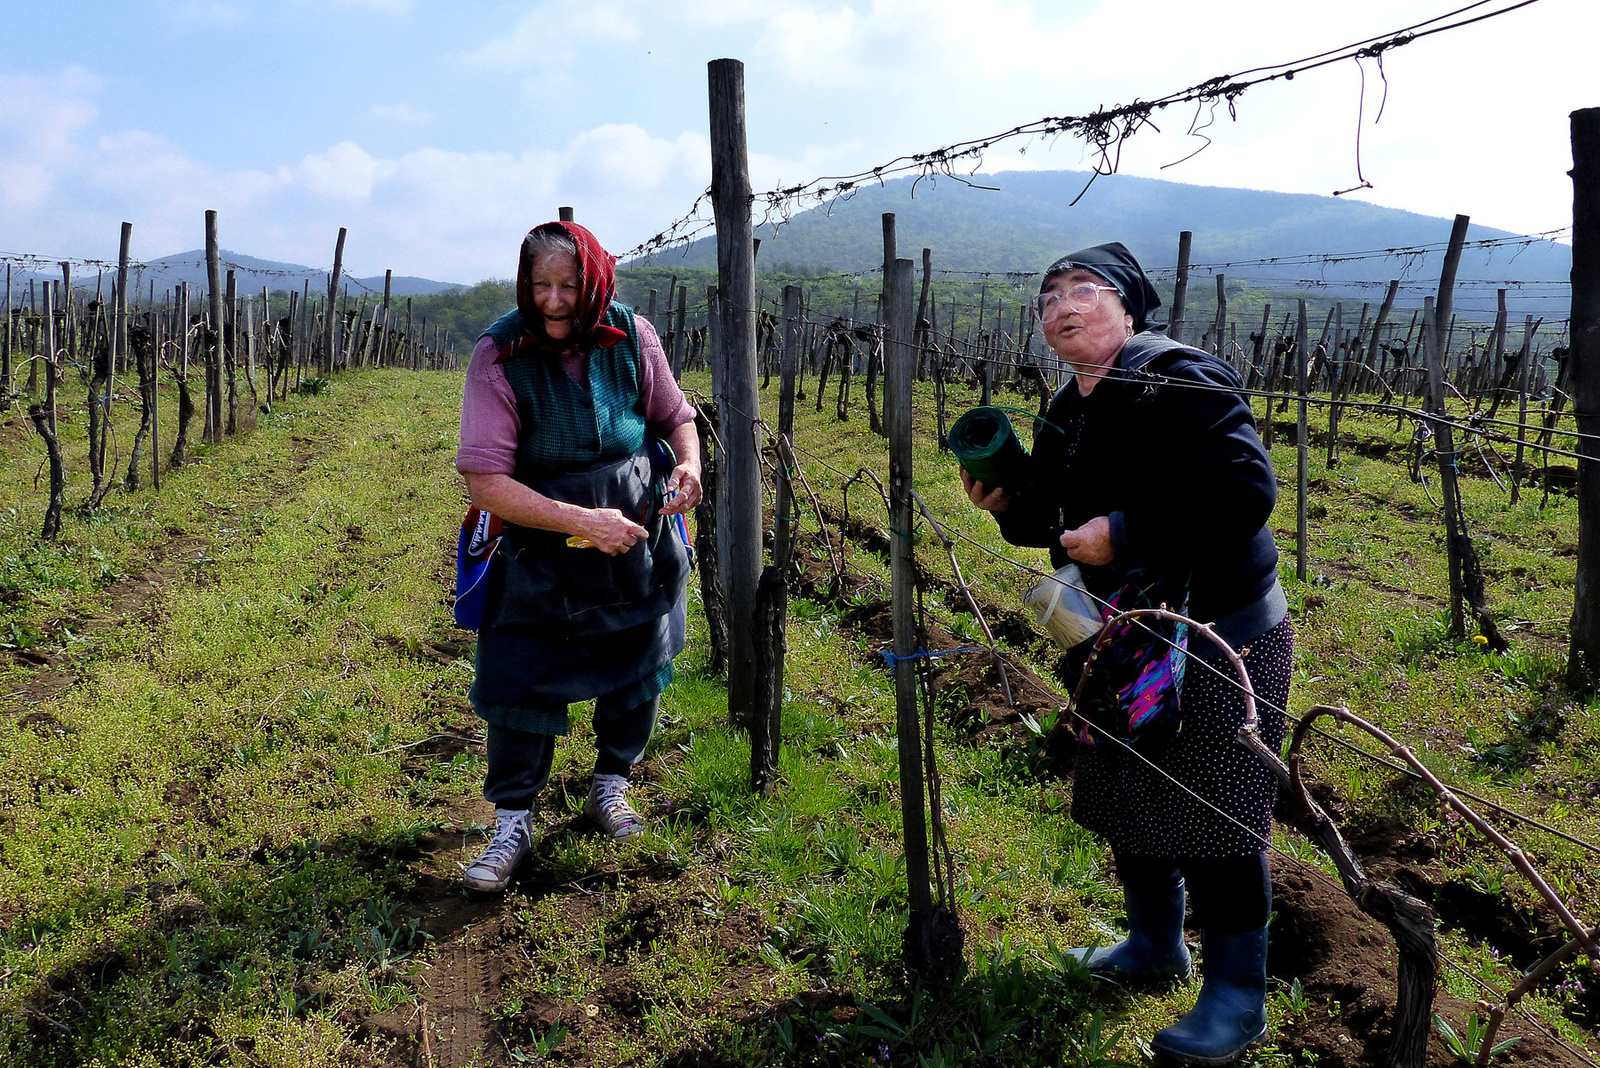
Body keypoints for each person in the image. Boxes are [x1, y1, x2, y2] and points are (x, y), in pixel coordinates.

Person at [961, 243, 1290, 1066]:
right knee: (1127, 793)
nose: (1060, 307)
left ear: (1130, 306)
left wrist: (1130, 534)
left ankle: (1237, 998)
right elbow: (1059, 525)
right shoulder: (1069, 406)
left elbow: (1245, 493)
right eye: (1046, 299)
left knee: (1217, 812)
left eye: (1082, 290)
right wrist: (1008, 505)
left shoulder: (1178, 378)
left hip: (1220, 635)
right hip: (1123, 637)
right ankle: (1153, 946)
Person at [454, 220, 701, 892]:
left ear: (594, 284)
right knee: (520, 675)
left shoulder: (632, 336)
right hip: (539, 549)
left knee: (637, 660)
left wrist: (689, 464)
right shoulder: (499, 355)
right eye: (540, 286)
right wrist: (577, 519)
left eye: (568, 286)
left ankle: (609, 787)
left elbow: (675, 414)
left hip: (634, 539)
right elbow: (485, 480)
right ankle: (512, 822)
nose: (553, 301)